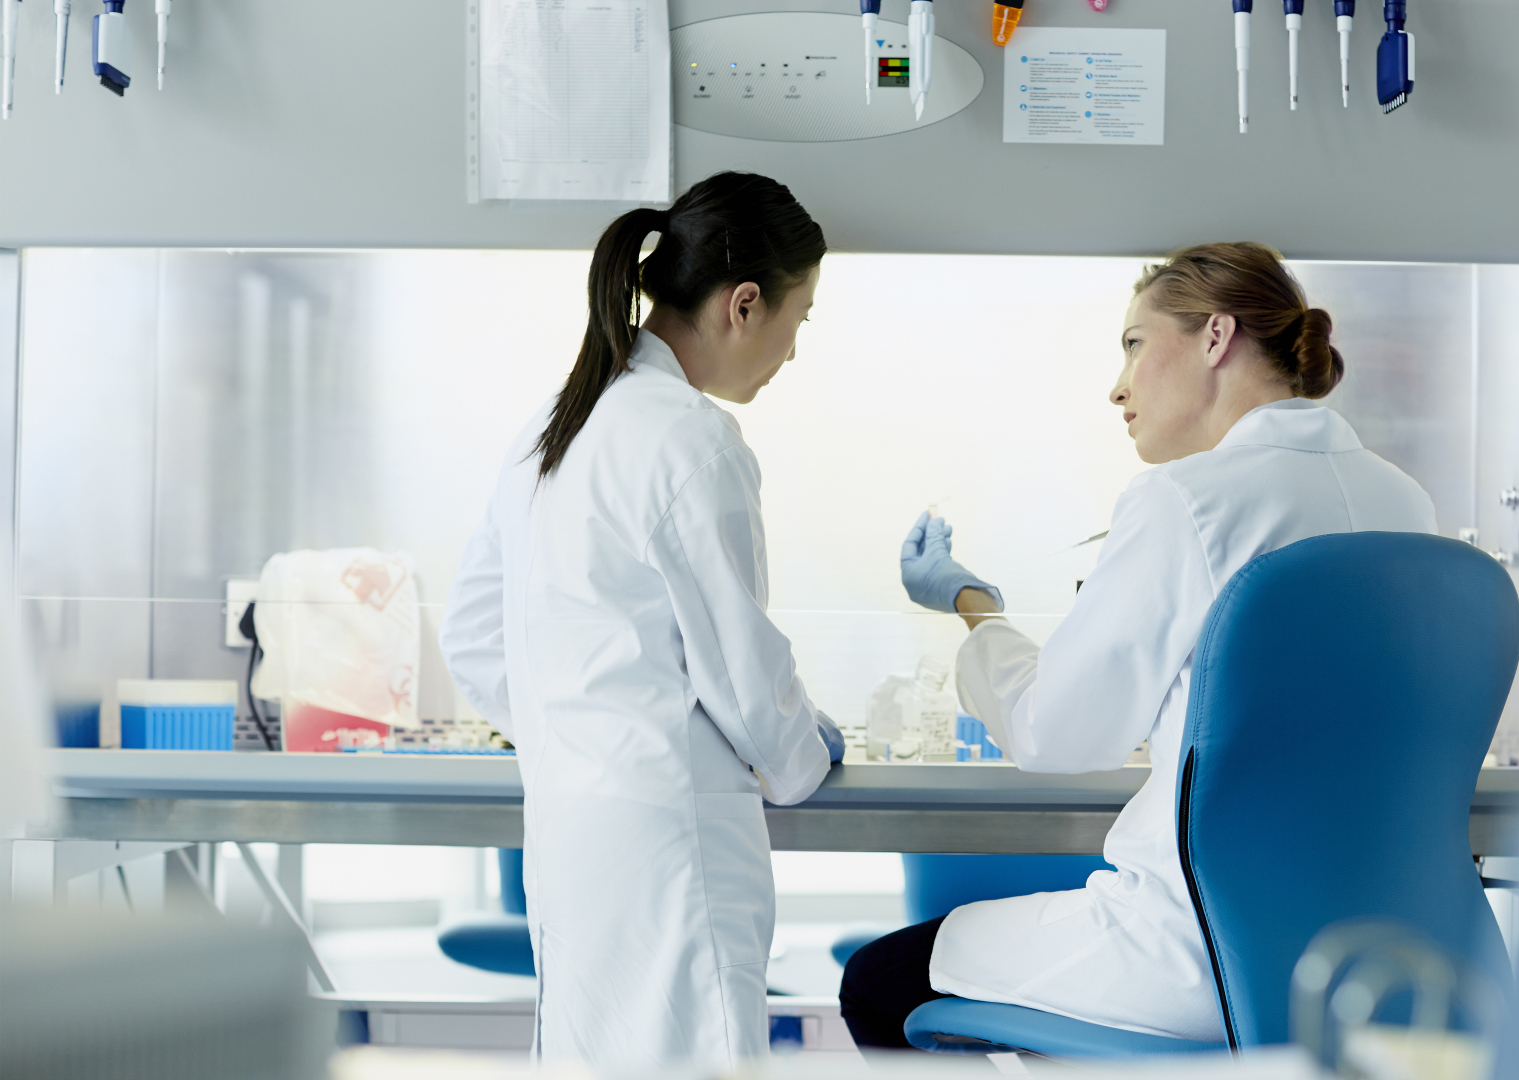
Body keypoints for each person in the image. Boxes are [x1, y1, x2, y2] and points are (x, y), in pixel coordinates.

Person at [839, 242, 1438, 1047]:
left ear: (1216, 337)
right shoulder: (1407, 502)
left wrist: (975, 607)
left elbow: (1058, 733)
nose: (1116, 387)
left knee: (877, 982)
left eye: (1133, 343)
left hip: (1193, 951)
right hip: (1369, 954)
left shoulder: (1184, 500)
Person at [440, 172, 844, 1071]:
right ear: (745, 304)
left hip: (573, 838)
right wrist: (804, 750)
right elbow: (746, 684)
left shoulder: (555, 424)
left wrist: (584, 726)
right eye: (799, 319)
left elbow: (471, 637)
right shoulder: (691, 441)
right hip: (671, 849)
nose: (792, 351)